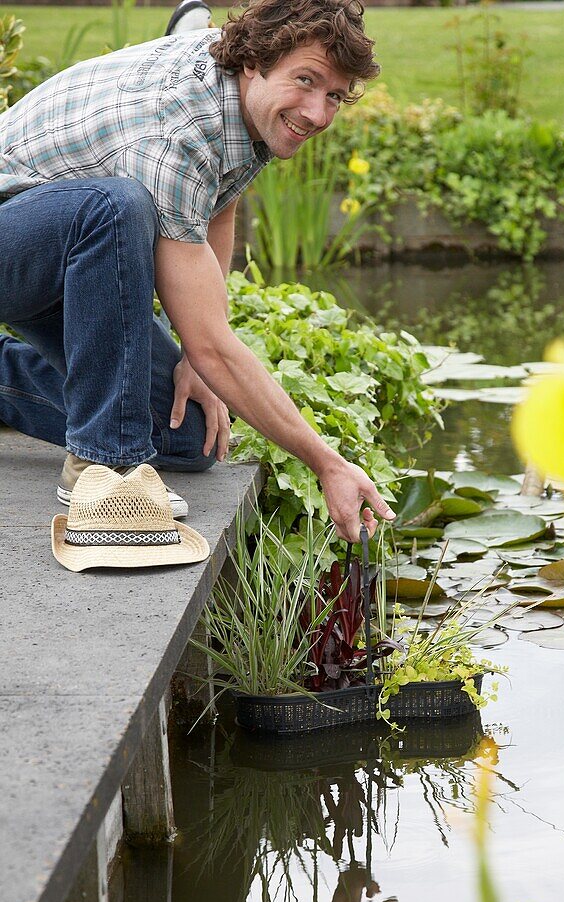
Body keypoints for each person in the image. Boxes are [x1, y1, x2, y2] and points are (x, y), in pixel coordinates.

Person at [0, 0, 395, 542]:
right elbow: (214, 345)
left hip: (69, 261)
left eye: (333, 96)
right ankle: (102, 469)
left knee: (186, 436)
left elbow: (219, 204)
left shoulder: (243, 98)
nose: (318, 113)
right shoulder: (177, 132)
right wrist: (328, 463)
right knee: (116, 206)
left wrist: (191, 355)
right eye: (306, 81)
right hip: (17, 238)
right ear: (254, 62)